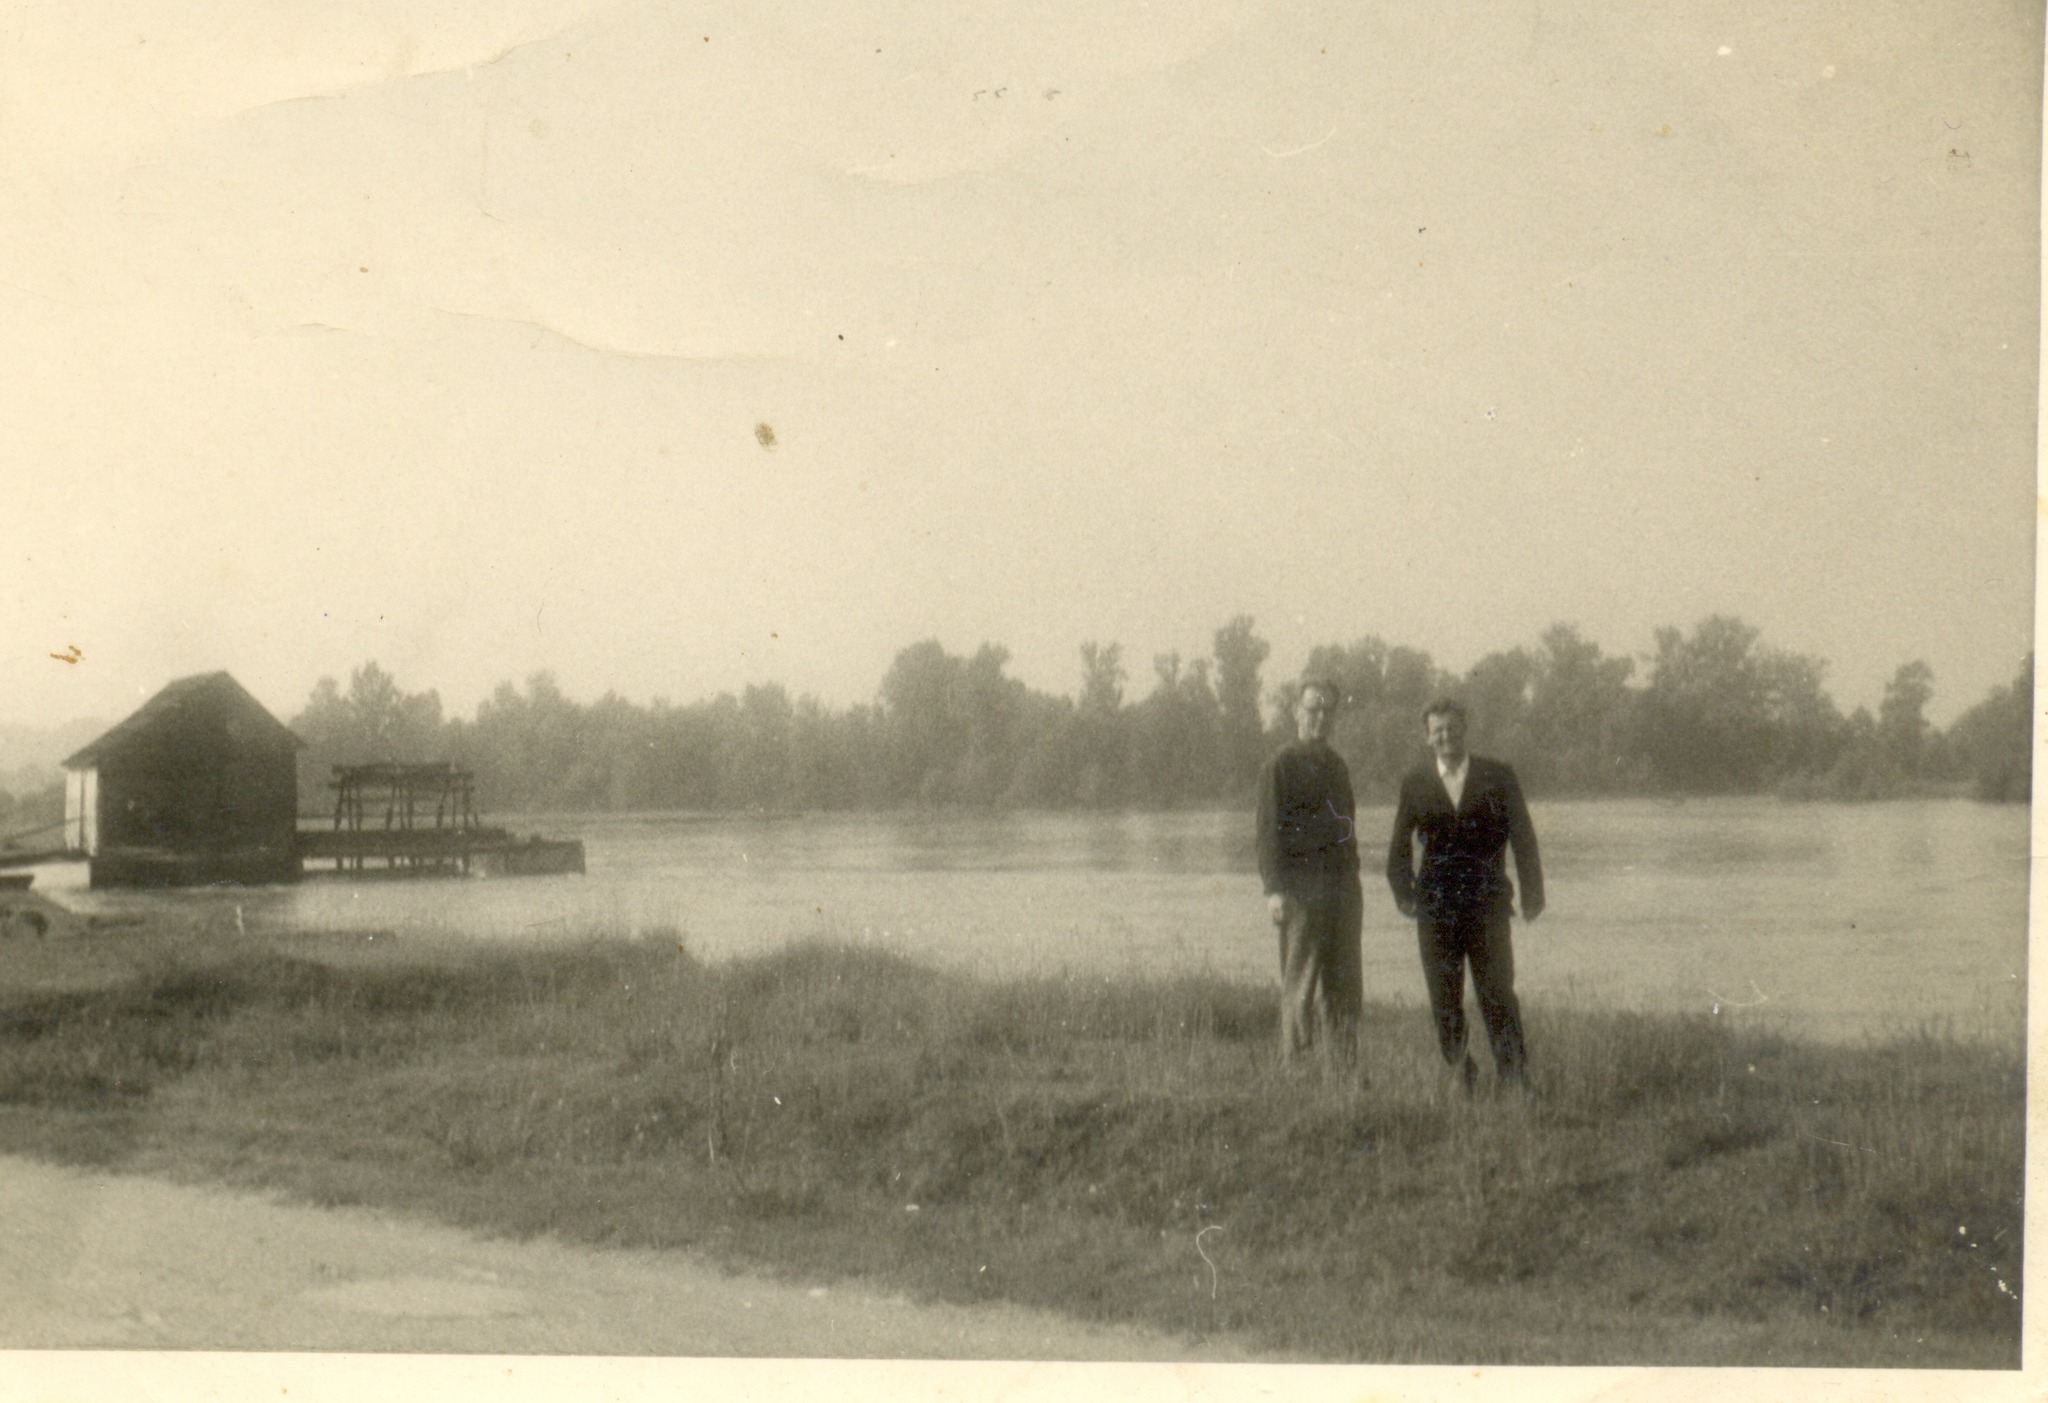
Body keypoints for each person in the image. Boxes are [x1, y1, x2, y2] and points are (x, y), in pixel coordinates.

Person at [1385, 698, 1544, 1089]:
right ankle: (1461, 1072)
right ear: (1427, 737)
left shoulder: (1498, 775)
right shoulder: (1416, 781)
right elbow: (1398, 846)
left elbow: (1523, 837)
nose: (1445, 736)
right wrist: (1404, 894)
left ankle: (1514, 1076)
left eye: (1452, 727)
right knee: (1444, 997)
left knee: (1497, 992)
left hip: (1487, 903)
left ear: (1465, 729)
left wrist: (1532, 893)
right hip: (1436, 908)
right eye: (1437, 730)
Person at [1253, 678, 1363, 1065]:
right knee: (1300, 983)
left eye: (1327, 710)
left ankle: (1343, 1069)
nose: (1320, 717)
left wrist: (1353, 882)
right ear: (1296, 712)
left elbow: (1348, 827)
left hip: (1342, 891)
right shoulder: (1279, 766)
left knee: (1345, 983)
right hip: (1300, 892)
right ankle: (1295, 1067)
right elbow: (1267, 834)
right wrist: (1274, 891)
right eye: (1313, 708)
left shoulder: (1336, 766)